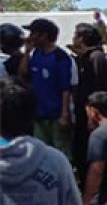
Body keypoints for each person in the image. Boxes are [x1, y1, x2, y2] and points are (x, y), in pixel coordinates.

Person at [24, 18, 74, 157]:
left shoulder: (60, 57)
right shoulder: (36, 54)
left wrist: (64, 114)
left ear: (44, 35)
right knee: (40, 152)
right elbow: (23, 73)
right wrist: (27, 52)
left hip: (55, 114)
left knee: (60, 152)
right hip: (38, 113)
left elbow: (65, 87)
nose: (30, 36)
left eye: (33, 33)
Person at [71, 23, 107, 171]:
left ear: (82, 38)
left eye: (76, 36)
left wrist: (93, 115)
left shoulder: (96, 57)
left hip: (92, 115)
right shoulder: (87, 57)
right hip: (84, 113)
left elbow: (99, 88)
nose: (74, 38)